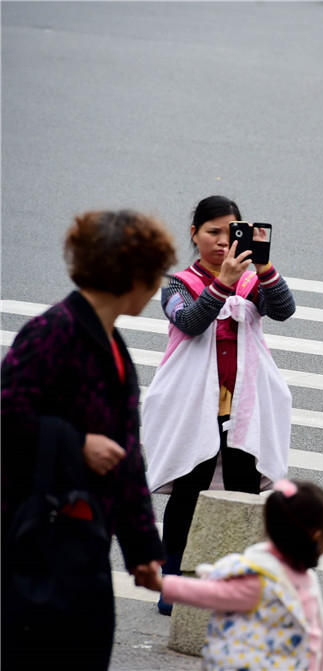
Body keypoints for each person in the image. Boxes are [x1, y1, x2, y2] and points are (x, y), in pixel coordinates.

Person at [1, 209, 177, 669]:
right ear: (129, 274)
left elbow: (126, 458)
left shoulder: (113, 344)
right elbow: (7, 414)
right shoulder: (51, 333)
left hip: (84, 540)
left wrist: (142, 552)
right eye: (155, 272)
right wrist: (76, 444)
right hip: (34, 540)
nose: (159, 284)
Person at [142, 195, 296, 614]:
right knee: (188, 492)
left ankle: (234, 583)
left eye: (232, 232)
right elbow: (190, 322)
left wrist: (263, 270)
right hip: (193, 405)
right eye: (212, 232)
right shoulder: (176, 285)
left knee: (243, 491)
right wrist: (221, 283)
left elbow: (284, 310)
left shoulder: (251, 281)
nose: (222, 242)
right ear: (194, 234)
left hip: (244, 406)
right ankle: (173, 582)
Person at [141, 479, 323, 671]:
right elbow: (210, 593)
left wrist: (318, 658)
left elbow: (302, 628)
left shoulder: (301, 575)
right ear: (317, 535)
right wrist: (162, 584)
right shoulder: (261, 579)